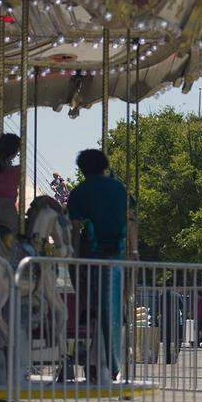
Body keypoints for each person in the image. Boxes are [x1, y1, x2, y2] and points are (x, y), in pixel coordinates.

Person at [67, 149, 131, 384]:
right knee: (112, 309)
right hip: (118, 254)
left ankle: (103, 361)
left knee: (95, 308)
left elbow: (75, 231)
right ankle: (109, 362)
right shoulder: (119, 189)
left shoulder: (79, 193)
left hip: (91, 256)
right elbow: (129, 221)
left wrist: (74, 260)